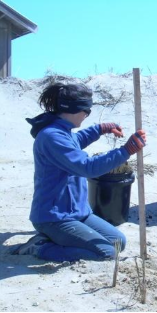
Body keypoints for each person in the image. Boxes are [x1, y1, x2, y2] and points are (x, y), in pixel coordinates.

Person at [13, 83, 146, 262]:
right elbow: (87, 167)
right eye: (87, 111)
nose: (86, 115)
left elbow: (76, 140)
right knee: (107, 252)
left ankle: (56, 240)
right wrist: (126, 150)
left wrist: (101, 129)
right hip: (54, 217)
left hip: (78, 213)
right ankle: (40, 248)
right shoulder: (52, 137)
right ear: (76, 110)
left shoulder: (63, 132)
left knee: (118, 241)